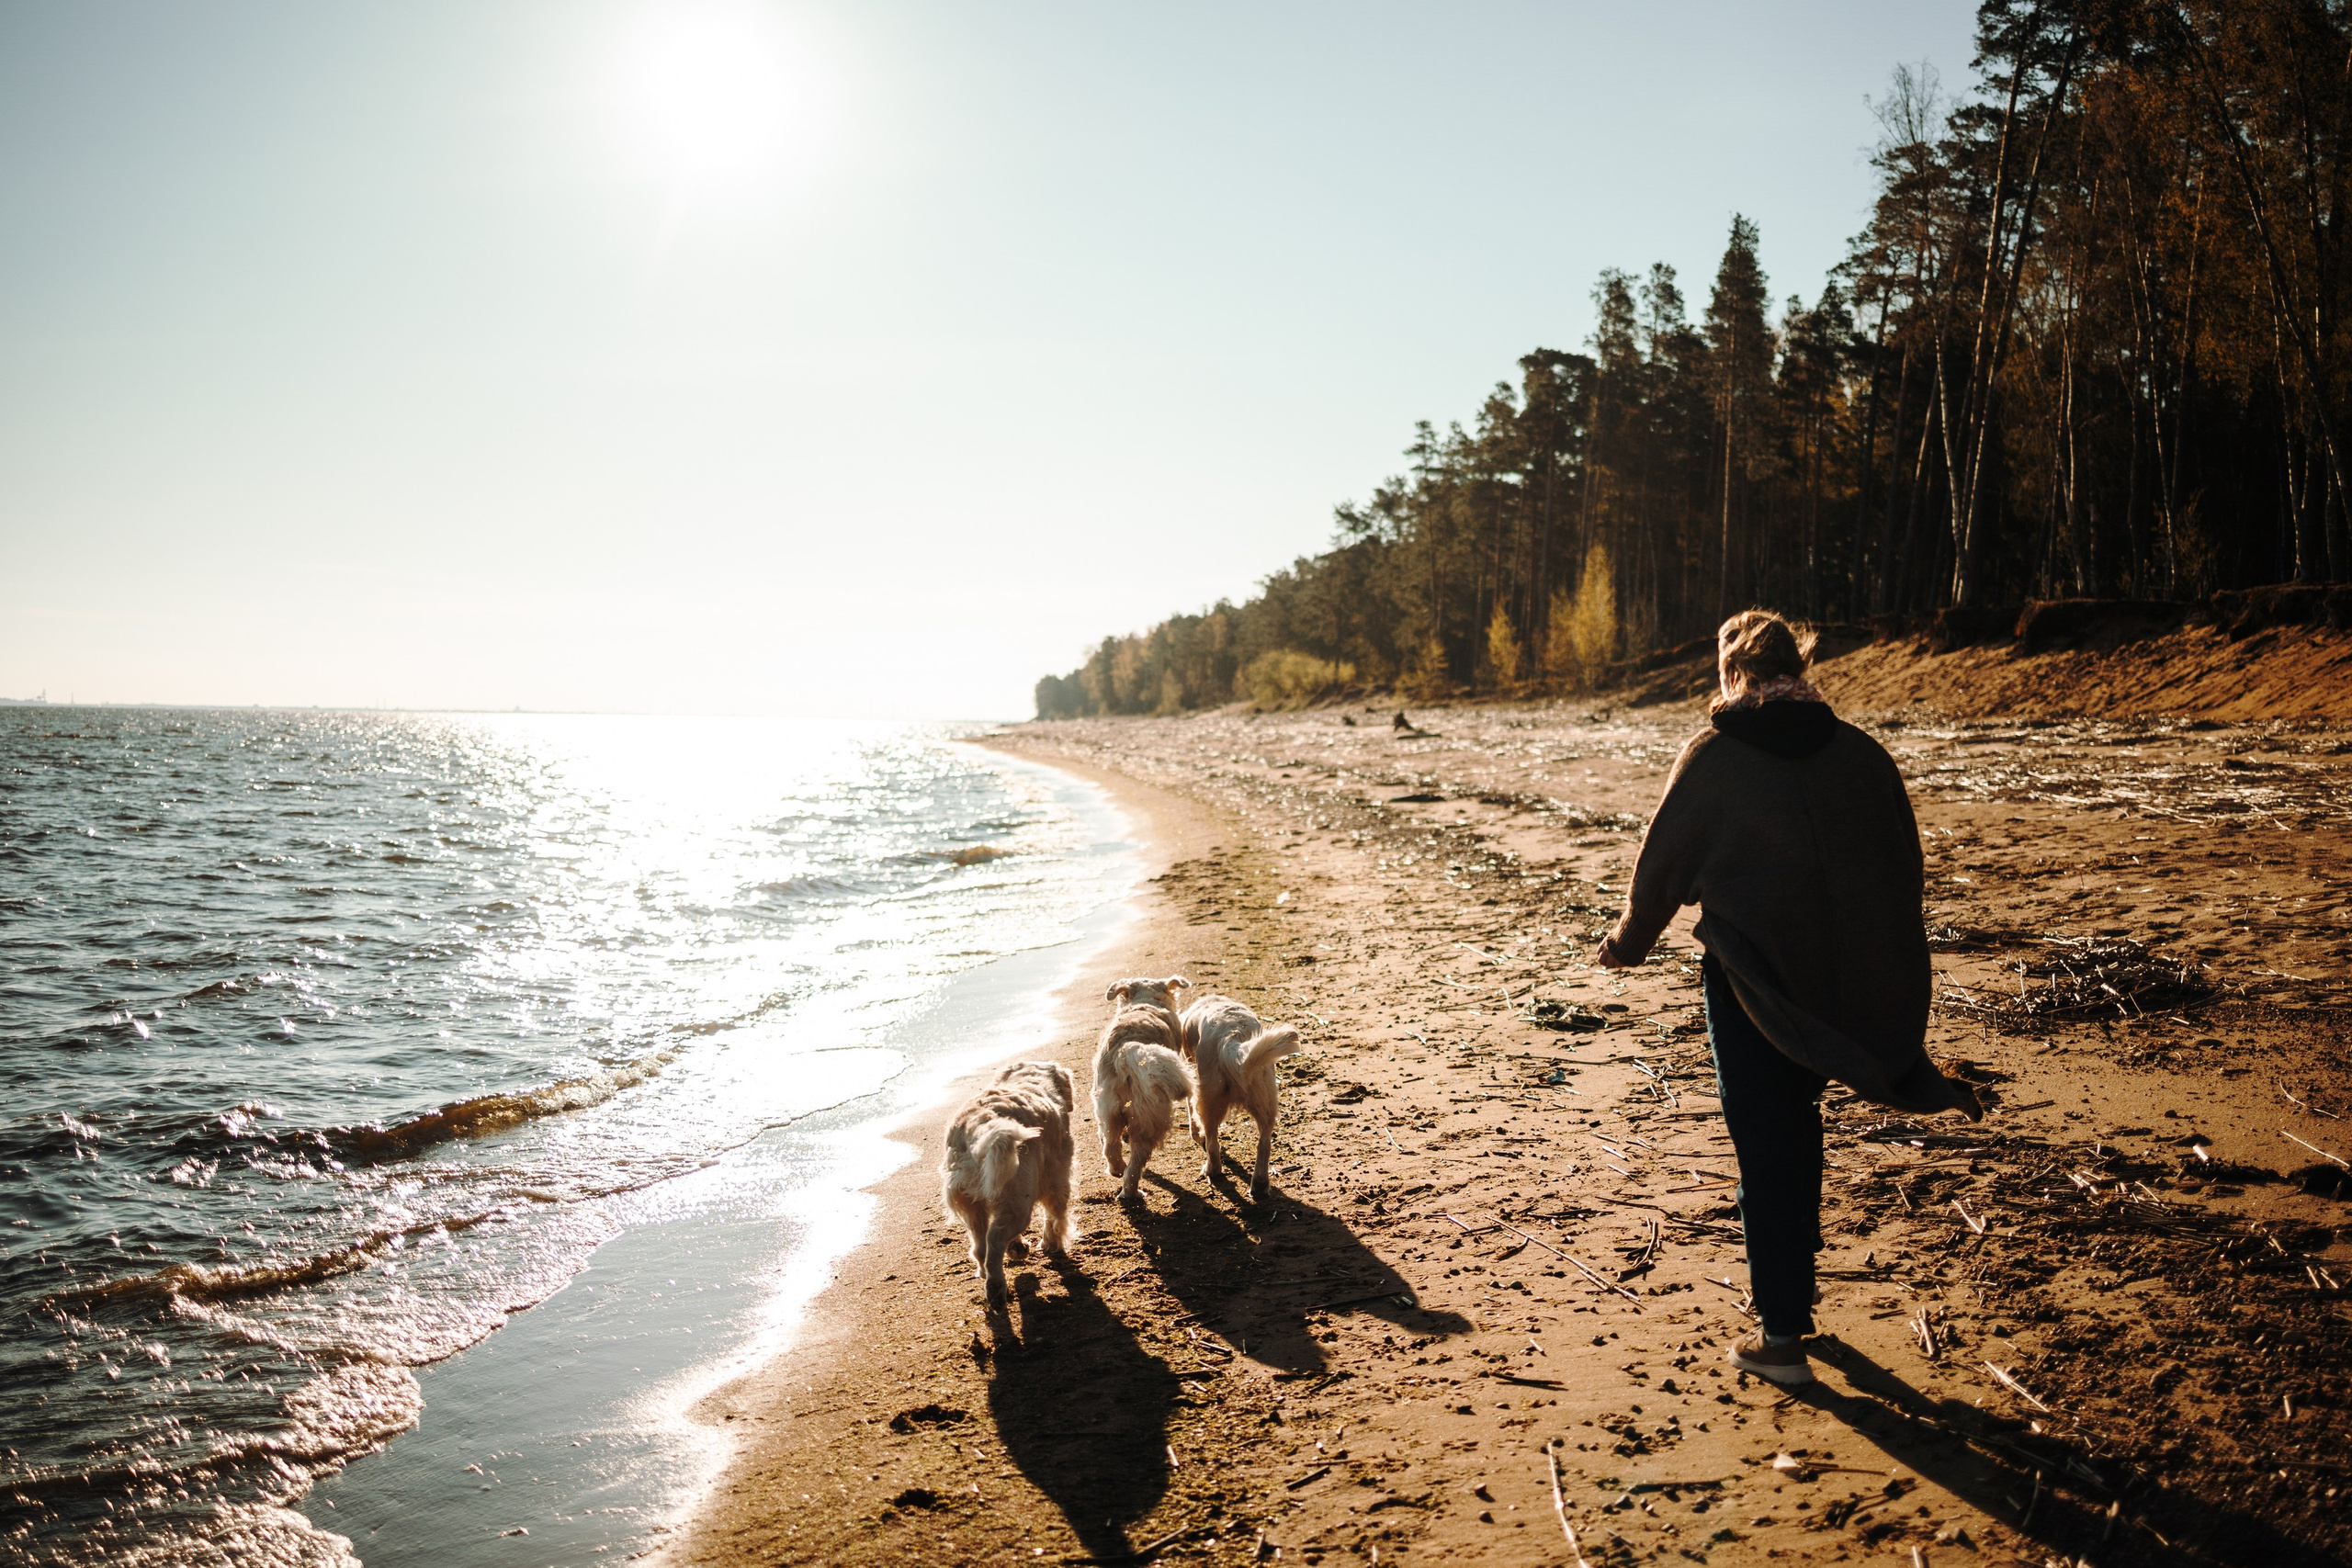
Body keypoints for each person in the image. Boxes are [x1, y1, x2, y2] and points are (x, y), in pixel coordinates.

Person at [1594, 608, 1981, 1386]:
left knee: (1766, 1144)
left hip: (1753, 983)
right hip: (1842, 981)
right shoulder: (1861, 754)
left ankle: (1781, 1336)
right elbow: (1904, 872)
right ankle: (1793, 1300)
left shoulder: (1713, 755)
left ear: (1731, 673)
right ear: (1799, 665)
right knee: (1797, 1130)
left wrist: (1626, 944)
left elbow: (1661, 868)